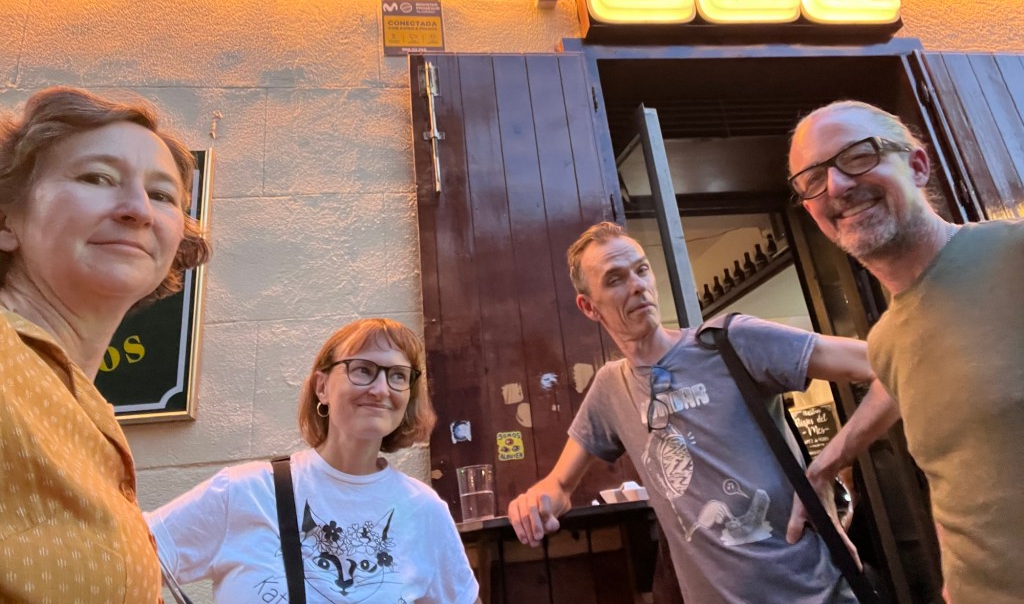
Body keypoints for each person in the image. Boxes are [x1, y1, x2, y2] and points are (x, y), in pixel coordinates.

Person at [508, 221, 875, 603]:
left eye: (641, 269)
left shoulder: (733, 341)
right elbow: (559, 485)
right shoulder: (610, 387)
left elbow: (883, 362)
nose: (637, 285)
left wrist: (824, 468)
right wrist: (536, 502)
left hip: (816, 593)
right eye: (615, 279)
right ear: (589, 307)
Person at [787, 100, 1023, 604]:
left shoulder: (1014, 257)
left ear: (917, 165)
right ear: (810, 209)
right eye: (812, 179)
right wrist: (824, 465)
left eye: (858, 156)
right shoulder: (887, 340)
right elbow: (953, 469)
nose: (837, 186)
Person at [0, 86, 211, 603]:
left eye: (162, 195)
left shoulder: (79, 404)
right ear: (6, 219)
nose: (138, 210)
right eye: (97, 178)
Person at [148, 317, 480, 604]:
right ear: (322, 387)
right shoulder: (243, 492)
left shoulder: (424, 511)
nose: (381, 389)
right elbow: (127, 558)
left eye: (398, 376)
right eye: (363, 370)